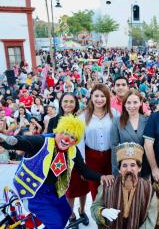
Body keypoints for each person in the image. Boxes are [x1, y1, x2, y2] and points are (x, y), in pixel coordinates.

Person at [0, 115, 114, 229]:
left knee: (65, 214)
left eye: (72, 137)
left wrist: (101, 177)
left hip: (53, 190)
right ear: (58, 130)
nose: (67, 139)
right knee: (56, 224)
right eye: (65, 133)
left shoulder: (73, 150)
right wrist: (6, 141)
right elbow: (21, 141)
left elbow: (84, 171)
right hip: (32, 192)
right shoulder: (42, 141)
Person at [47, 92, 90, 228]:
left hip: (80, 160)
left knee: (83, 189)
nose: (68, 104)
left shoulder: (81, 119)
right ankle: (71, 216)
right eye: (65, 101)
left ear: (76, 104)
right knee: (68, 191)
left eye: (71, 101)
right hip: (63, 163)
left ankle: (82, 211)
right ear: (60, 103)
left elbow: (85, 140)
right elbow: (49, 141)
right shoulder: (54, 120)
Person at [91, 142, 158, 228]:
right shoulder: (107, 185)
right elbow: (94, 208)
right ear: (119, 169)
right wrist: (102, 212)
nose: (128, 169)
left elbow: (151, 219)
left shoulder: (148, 189)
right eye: (124, 165)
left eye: (133, 165)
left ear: (139, 168)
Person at [78, 83, 120, 200]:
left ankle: (112, 216)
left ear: (107, 97)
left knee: (112, 188)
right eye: (96, 96)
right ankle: (99, 216)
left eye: (103, 96)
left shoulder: (115, 114)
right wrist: (83, 165)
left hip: (111, 157)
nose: (99, 99)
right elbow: (80, 142)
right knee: (95, 191)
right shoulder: (83, 117)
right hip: (92, 158)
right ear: (91, 97)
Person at [110, 90, 148, 175]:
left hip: (143, 166)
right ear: (124, 104)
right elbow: (114, 146)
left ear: (141, 103)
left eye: (135, 102)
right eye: (129, 103)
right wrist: (116, 170)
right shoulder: (117, 121)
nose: (132, 106)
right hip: (125, 168)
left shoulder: (147, 121)